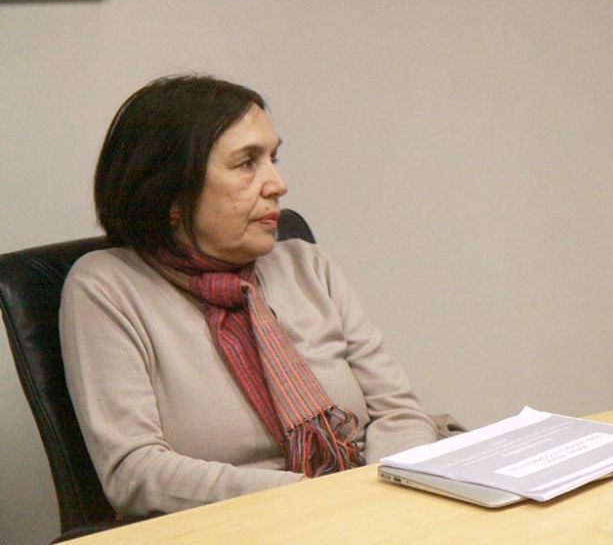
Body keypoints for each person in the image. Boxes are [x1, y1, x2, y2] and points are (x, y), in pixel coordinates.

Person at [60, 75, 445, 516]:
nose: (278, 183)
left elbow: (398, 412)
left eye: (273, 159)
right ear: (172, 192)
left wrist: (391, 489)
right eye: (247, 163)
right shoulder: (107, 287)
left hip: (372, 504)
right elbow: (134, 471)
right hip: (243, 522)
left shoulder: (307, 265)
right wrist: (314, 498)